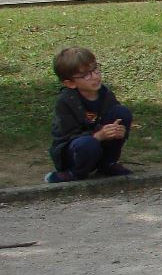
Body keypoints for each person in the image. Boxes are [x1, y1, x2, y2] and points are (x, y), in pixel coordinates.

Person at [46, 46, 134, 183]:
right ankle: (75, 172)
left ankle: (108, 163)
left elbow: (114, 121)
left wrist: (118, 131)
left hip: (100, 144)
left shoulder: (106, 94)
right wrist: (98, 136)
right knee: (87, 144)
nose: (95, 76)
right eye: (86, 75)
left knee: (121, 113)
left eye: (95, 69)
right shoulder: (66, 102)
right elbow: (66, 136)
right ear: (70, 83)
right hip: (74, 152)